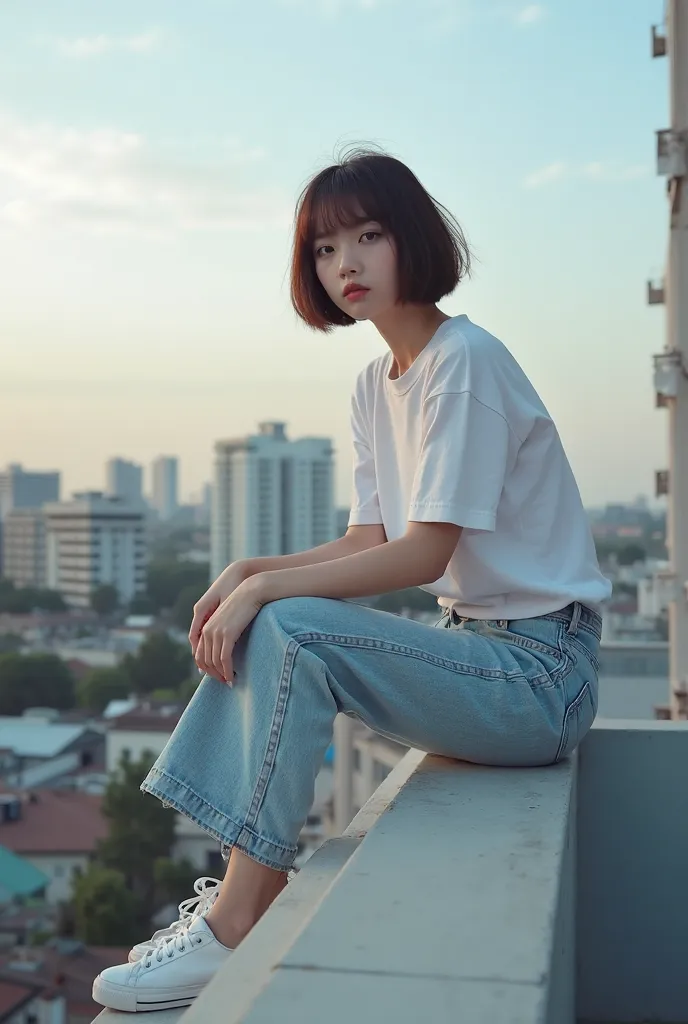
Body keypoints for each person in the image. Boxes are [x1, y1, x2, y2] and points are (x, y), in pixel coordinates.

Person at [93, 148, 611, 1012]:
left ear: (412, 239)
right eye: (327, 248)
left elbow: (423, 556)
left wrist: (268, 596)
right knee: (279, 614)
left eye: (368, 236)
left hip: (542, 676)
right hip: (476, 656)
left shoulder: (465, 361)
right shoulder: (378, 383)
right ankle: (227, 904)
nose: (347, 264)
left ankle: (231, 925)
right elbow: (364, 540)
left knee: (289, 626)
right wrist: (250, 570)